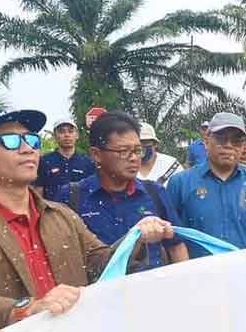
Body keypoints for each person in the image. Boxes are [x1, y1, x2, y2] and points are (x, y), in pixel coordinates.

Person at [0, 108, 176, 329]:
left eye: (31, 139)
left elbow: (100, 265)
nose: (27, 148)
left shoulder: (62, 216)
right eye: (10, 141)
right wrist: (26, 309)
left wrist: (136, 238)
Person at [53, 112, 188, 271]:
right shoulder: (71, 197)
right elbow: (60, 256)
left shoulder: (154, 193)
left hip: (152, 290)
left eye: (138, 151)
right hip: (98, 291)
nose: (134, 158)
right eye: (124, 151)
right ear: (96, 154)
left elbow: (176, 245)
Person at [168, 112, 246, 251]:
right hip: (196, 271)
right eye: (221, 139)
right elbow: (170, 238)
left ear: (242, 147)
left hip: (245, 269)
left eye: (236, 141)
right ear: (206, 142)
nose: (229, 145)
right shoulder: (180, 184)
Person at [35, 117, 95, 199]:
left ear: (77, 135)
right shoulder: (44, 161)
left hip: (79, 211)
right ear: (55, 136)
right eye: (61, 131)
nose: (67, 135)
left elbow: (93, 192)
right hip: (52, 210)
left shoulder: (88, 163)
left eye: (70, 131)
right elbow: (38, 194)